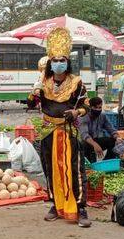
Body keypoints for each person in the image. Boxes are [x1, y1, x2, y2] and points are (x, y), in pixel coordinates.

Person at [37, 27, 91, 228]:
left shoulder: (77, 83)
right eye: (55, 60)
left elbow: (86, 105)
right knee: (51, 169)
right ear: (50, 62)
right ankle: (55, 205)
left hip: (69, 132)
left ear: (67, 62)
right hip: (49, 131)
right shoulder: (43, 82)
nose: (59, 64)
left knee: (75, 169)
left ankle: (81, 208)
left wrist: (77, 113)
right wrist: (34, 93)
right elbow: (33, 103)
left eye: (62, 60)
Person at [79, 97, 120, 163]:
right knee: (84, 145)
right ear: (90, 107)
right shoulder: (84, 117)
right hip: (87, 142)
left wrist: (117, 137)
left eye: (100, 107)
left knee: (113, 141)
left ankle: (108, 162)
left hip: (97, 140)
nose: (98, 110)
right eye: (95, 107)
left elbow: (111, 129)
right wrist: (95, 145)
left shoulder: (102, 116)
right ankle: (87, 164)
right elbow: (84, 134)